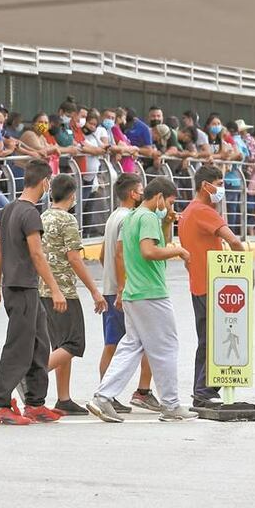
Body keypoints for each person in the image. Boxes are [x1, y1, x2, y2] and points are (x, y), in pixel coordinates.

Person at [87, 177, 195, 423]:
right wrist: (180, 250)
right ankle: (171, 404)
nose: (168, 207)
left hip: (134, 292)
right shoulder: (146, 218)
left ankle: (103, 397)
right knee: (166, 347)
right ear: (158, 197)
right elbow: (150, 251)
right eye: (168, 203)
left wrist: (167, 222)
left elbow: (149, 245)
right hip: (151, 292)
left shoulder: (134, 217)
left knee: (131, 345)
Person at [0, 159, 66, 425]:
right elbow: (36, 253)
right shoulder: (30, 213)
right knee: (19, 347)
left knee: (39, 344)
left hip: (18, 287)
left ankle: (35, 402)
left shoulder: (9, 209)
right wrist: (55, 289)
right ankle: (0, 404)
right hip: (22, 287)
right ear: (45, 182)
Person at [38, 174, 107, 415]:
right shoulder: (67, 220)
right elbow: (74, 258)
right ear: (72, 195)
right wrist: (94, 290)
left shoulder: (43, 216)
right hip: (63, 289)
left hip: (43, 288)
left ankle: (63, 397)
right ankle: (32, 373)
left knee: (60, 343)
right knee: (73, 342)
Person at [178, 165, 244, 407]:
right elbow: (234, 241)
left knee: (206, 340)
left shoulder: (186, 213)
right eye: (219, 182)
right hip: (214, 286)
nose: (221, 188)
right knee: (216, 339)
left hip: (198, 284)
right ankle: (204, 391)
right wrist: (246, 270)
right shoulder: (204, 211)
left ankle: (201, 390)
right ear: (206, 185)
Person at [99, 173, 158, 413]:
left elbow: (104, 255)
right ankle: (139, 391)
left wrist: (112, 279)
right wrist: (123, 285)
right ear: (133, 193)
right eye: (140, 189)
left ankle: (106, 393)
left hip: (110, 288)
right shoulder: (131, 219)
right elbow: (120, 253)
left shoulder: (113, 216)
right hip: (125, 291)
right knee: (147, 341)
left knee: (112, 343)